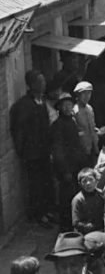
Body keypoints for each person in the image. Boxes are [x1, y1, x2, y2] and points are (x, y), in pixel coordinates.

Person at [10, 70, 53, 228]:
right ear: (32, 84)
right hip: (32, 154)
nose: (44, 83)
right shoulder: (24, 105)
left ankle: (46, 210)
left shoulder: (41, 101)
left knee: (45, 182)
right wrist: (22, 152)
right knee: (35, 184)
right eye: (40, 81)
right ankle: (36, 215)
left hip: (43, 151)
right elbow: (19, 131)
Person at [52, 92, 89, 231]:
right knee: (66, 198)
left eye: (70, 105)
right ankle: (66, 228)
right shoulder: (58, 125)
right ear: (59, 108)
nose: (68, 108)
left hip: (76, 166)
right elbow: (58, 151)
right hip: (67, 168)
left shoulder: (71, 121)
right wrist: (65, 170)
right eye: (64, 106)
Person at [71, 168, 105, 234]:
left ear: (96, 180)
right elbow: (76, 222)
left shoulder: (101, 194)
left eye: (91, 179)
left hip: (102, 231)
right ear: (80, 184)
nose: (88, 183)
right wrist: (89, 227)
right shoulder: (78, 199)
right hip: (86, 234)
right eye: (84, 181)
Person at [74, 82, 99, 166]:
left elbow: (93, 125)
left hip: (93, 145)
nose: (87, 96)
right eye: (83, 93)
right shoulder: (75, 111)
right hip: (82, 147)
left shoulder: (89, 108)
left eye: (89, 93)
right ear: (78, 95)